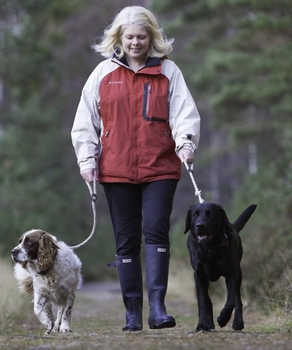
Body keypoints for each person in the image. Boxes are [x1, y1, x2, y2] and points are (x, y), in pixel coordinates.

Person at [71, 6, 200, 331]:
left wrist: (186, 143)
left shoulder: (169, 72)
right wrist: (87, 160)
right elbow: (85, 121)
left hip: (160, 168)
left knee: (156, 231)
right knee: (126, 241)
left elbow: (184, 112)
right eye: (129, 37)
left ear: (151, 37)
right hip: (115, 170)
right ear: (119, 37)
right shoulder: (103, 74)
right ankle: (132, 315)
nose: (135, 42)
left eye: (142, 36)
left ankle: (157, 308)